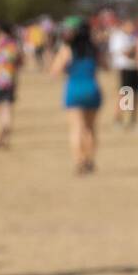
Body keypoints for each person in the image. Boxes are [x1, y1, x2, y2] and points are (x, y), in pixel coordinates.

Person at [50, 15, 102, 174]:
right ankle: (90, 160)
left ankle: (79, 161)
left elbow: (54, 71)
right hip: (92, 89)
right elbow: (105, 65)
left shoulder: (67, 49)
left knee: (76, 129)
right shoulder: (94, 49)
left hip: (74, 89)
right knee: (90, 128)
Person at [109, 17, 138, 128]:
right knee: (124, 94)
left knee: (135, 95)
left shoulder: (132, 37)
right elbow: (124, 52)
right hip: (124, 68)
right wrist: (134, 50)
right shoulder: (118, 37)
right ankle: (118, 119)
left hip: (134, 68)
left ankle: (132, 119)